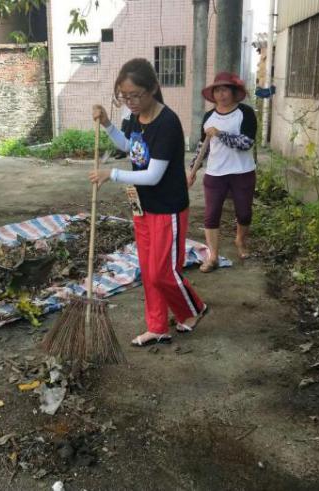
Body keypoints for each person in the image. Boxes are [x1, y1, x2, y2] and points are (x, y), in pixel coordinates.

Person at [90, 58, 207, 345]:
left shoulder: (167, 123)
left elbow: (153, 174)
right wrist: (107, 124)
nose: (130, 101)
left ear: (153, 88)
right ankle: (157, 326)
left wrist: (112, 174)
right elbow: (131, 147)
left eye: (135, 95)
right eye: (124, 96)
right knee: (148, 270)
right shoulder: (134, 118)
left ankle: (192, 309)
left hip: (167, 207)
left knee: (162, 271)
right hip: (141, 205)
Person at [188, 72, 257, 273]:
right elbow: (204, 147)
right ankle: (213, 256)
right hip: (215, 173)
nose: (221, 94)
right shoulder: (209, 117)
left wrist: (220, 133)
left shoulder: (245, 113)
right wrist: (192, 170)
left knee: (244, 213)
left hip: (242, 171)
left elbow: (246, 143)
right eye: (217, 90)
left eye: (225, 89)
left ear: (234, 92)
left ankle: (240, 241)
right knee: (211, 215)